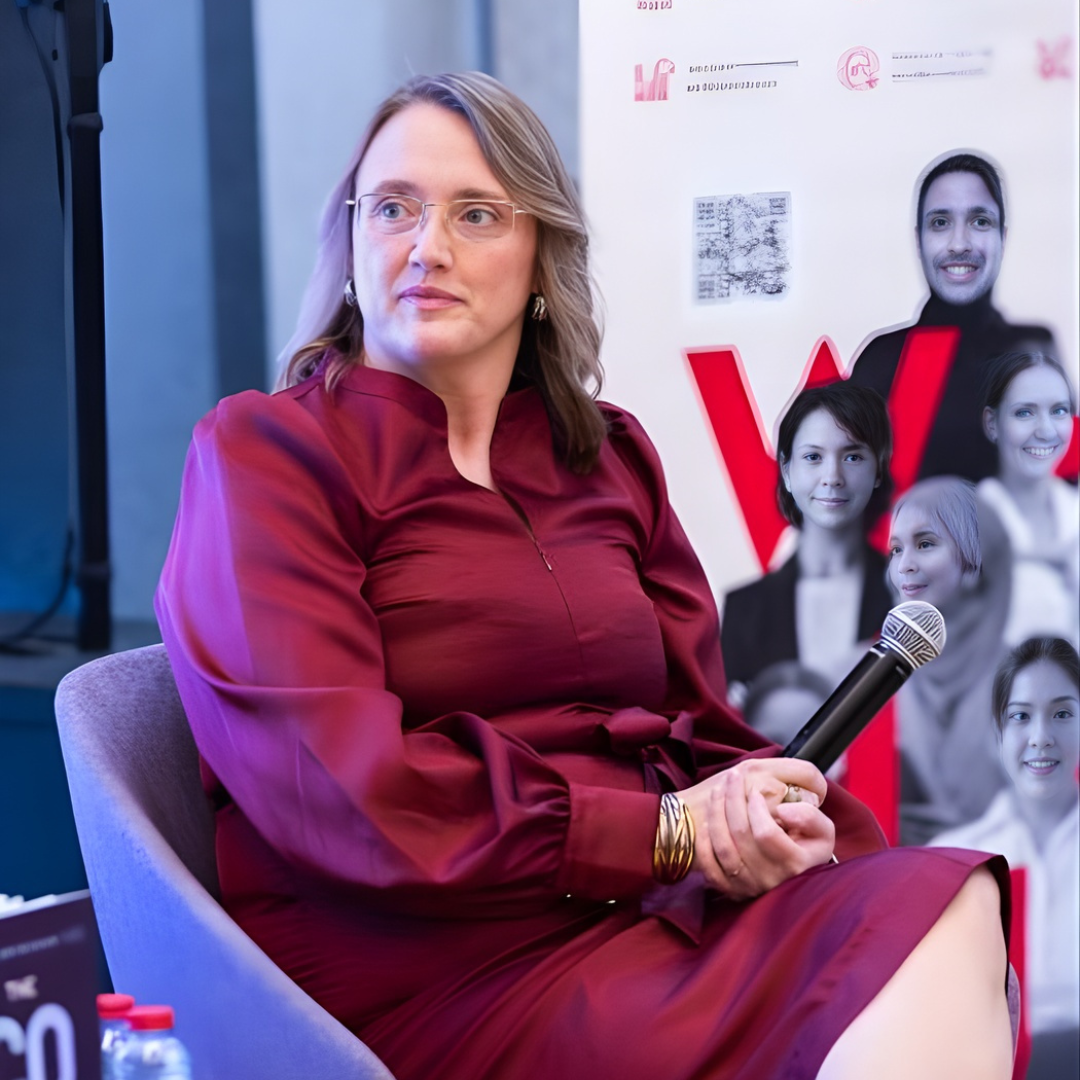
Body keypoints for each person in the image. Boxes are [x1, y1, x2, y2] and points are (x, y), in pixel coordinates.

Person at [155, 73, 1013, 1079]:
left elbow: (699, 721)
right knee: (912, 945)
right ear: (348, 245)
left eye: (476, 214)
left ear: (539, 259)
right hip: (431, 963)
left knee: (949, 903)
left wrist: (746, 811)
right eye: (392, 208)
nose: (427, 247)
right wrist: (662, 833)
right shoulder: (266, 456)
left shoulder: (606, 455)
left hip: (646, 907)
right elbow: (343, 792)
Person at [849, 152, 1058, 484]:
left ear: (1003, 238)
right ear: (918, 240)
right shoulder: (883, 360)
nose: (959, 244)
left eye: (980, 221)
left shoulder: (1034, 347)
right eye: (940, 223)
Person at [931, 638, 1079, 1078]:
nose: (1040, 738)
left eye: (1062, 714)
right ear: (996, 733)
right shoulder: (952, 858)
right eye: (1020, 716)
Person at [721, 382, 894, 701]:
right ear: (786, 471)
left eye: (853, 457)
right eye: (813, 457)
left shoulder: (907, 598)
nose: (833, 477)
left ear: (878, 470)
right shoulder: (744, 610)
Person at [887, 476, 1011, 843]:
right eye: (896, 549)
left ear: (975, 563)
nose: (904, 565)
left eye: (925, 544)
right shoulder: (861, 673)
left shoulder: (1031, 679)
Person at [977, 351, 1079, 648]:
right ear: (992, 423)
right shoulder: (965, 525)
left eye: (1059, 410)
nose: (1046, 431)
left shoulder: (1073, 511)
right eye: (1025, 412)